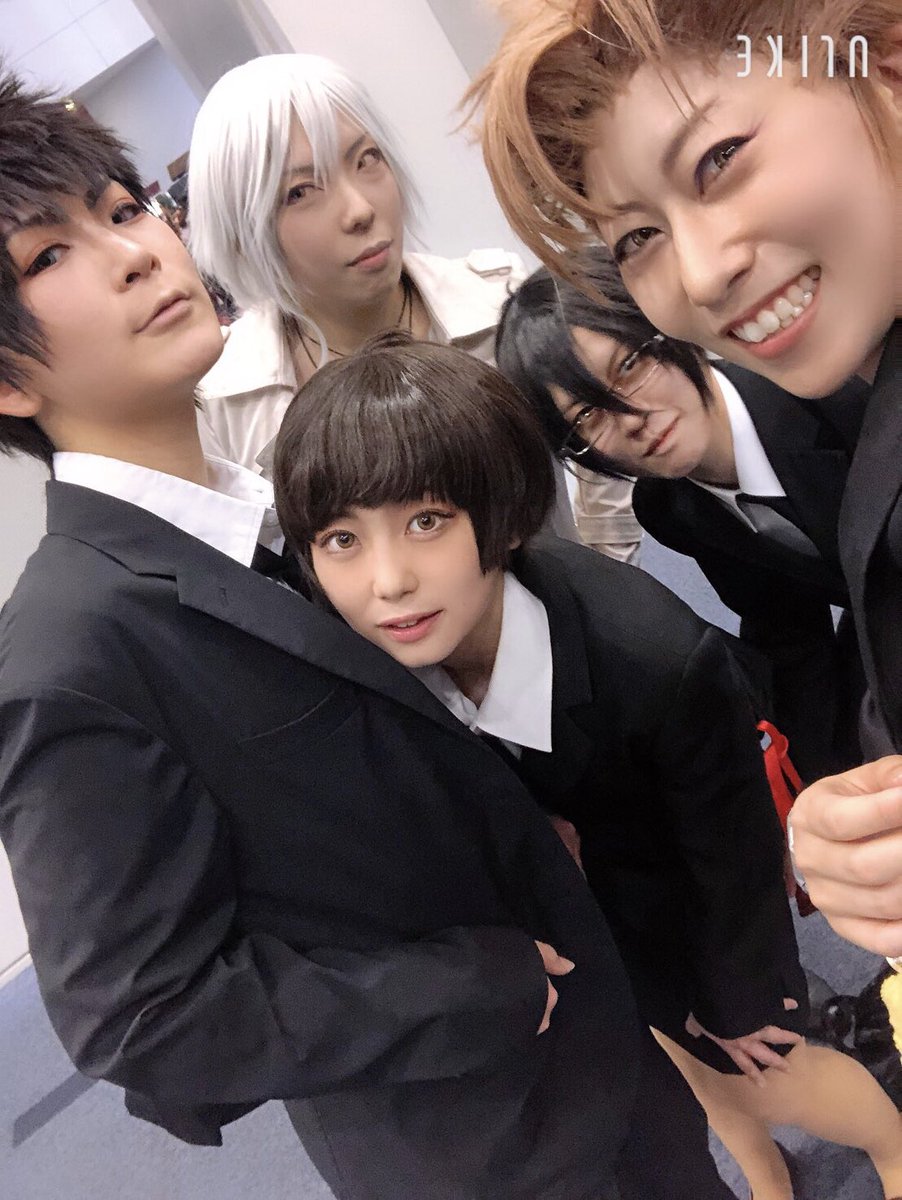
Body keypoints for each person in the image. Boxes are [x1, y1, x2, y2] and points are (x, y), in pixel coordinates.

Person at [0, 72, 716, 1200]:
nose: (134, 253)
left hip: (606, 1055)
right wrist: (474, 990)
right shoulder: (69, 653)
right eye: (48, 255)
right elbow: (142, 1017)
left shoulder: (271, 506)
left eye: (124, 209)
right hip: (484, 1142)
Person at [273, 331, 902, 1200]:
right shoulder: (364, 656)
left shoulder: (655, 662)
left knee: (759, 1064)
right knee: (677, 1060)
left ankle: (891, 1146)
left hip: (678, 905)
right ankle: (765, 1171)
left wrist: (746, 995)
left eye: (426, 522)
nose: (387, 582)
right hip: (573, 921)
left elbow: (732, 854)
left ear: (501, 514)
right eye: (342, 539)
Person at [466, 0, 902, 956]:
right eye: (638, 236)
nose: (704, 273)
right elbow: (792, 627)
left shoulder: (837, 376)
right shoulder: (670, 508)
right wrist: (836, 786)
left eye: (718, 159)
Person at [185, 52, 634, 551]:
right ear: (243, 228)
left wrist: (601, 572)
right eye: (301, 192)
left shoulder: (496, 303)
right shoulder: (225, 402)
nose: (359, 209)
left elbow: (601, 438)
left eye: (366, 160)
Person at [495, 247, 870, 781]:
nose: (630, 417)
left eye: (629, 366)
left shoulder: (832, 390)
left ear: (669, 326)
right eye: (588, 415)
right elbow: (789, 632)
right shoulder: (670, 509)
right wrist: (823, 779)